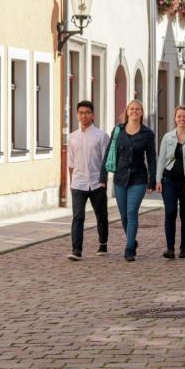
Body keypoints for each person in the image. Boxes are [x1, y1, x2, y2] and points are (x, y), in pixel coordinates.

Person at [100, 100, 156, 262]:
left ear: (141, 112)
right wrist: (103, 175)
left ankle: (129, 248)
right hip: (120, 178)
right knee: (123, 215)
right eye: (132, 109)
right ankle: (133, 240)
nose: (134, 111)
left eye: (137, 109)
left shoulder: (147, 134)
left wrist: (152, 180)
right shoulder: (118, 130)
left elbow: (152, 158)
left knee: (132, 213)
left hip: (138, 178)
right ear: (127, 111)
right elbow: (109, 152)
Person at [156, 106, 185, 259]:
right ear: (175, 119)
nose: (182, 119)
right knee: (170, 212)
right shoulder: (167, 137)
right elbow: (161, 159)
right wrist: (158, 179)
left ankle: (183, 248)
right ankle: (170, 249)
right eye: (179, 116)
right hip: (168, 181)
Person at [67, 100, 110, 261]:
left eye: (87, 113)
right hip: (78, 183)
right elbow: (71, 163)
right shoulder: (72, 137)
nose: (83, 116)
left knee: (101, 215)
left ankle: (103, 243)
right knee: (78, 216)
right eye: (81, 113)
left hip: (97, 182)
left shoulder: (101, 136)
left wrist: (104, 179)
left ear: (92, 115)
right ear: (77, 115)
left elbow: (106, 160)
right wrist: (73, 180)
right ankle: (76, 249)